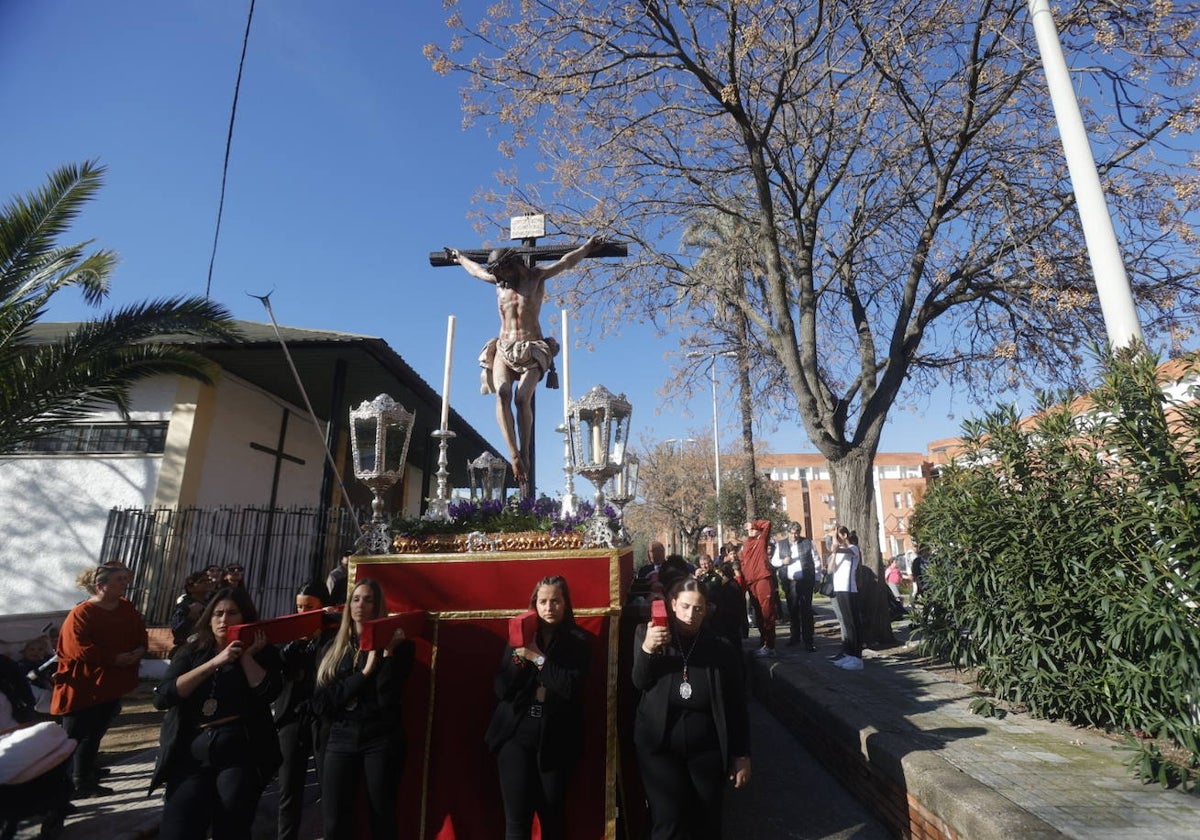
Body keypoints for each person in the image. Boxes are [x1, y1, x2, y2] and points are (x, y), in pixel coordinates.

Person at [446, 235, 602, 493]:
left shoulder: (536, 277)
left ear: (513, 263)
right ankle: (514, 454)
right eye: (496, 274)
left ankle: (525, 451)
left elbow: (566, 261)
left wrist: (587, 248)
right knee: (503, 394)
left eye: (502, 271)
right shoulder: (499, 282)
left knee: (521, 399)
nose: (499, 277)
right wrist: (460, 257)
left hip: (532, 350)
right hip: (505, 349)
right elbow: (476, 272)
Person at [150, 587, 283, 840]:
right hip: (192, 750)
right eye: (218, 614)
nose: (224, 620)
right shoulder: (193, 650)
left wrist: (245, 656)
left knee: (231, 825)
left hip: (239, 749)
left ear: (244, 617)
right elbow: (163, 696)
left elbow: (268, 693)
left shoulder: (261, 650)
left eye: (232, 613)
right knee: (177, 827)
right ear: (209, 618)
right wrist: (214, 663)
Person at [632, 578, 751, 840]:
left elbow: (736, 703)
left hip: (705, 746)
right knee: (668, 818)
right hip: (660, 745)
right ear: (673, 604)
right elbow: (639, 681)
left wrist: (741, 755)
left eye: (698, 608)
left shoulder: (720, 647)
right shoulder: (649, 633)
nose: (690, 615)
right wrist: (649, 649)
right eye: (685, 606)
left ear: (706, 609)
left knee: (706, 817)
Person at [485, 576, 592, 840]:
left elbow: (568, 686)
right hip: (516, 732)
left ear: (565, 604)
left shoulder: (579, 640)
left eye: (555, 601)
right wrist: (519, 660)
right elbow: (501, 689)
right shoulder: (520, 635)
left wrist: (537, 658)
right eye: (543, 601)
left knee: (553, 819)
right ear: (534, 604)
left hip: (556, 735)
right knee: (516, 821)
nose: (549, 607)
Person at [311, 579, 414, 840]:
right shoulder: (332, 648)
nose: (361, 605)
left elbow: (386, 699)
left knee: (381, 816)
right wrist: (364, 673)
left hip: (379, 738)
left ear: (378, 605)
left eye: (368, 600)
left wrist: (388, 656)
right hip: (339, 738)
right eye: (356, 599)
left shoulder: (398, 647)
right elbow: (322, 703)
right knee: (334, 820)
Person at [51, 564, 147, 797]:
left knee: (96, 732)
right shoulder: (82, 613)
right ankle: (74, 783)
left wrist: (139, 650)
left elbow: (139, 632)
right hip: (84, 684)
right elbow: (78, 648)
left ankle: (85, 773)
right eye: (119, 579)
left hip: (110, 682)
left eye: (126, 578)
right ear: (101, 585)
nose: (125, 583)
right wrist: (114, 658)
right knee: (76, 735)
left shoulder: (125, 607)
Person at [274, 581, 335, 840]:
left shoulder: (333, 636)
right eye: (299, 606)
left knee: (328, 786)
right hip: (291, 717)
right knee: (289, 788)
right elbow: (279, 668)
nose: (302, 612)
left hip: (322, 718)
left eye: (309, 607)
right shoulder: (290, 634)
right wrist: (295, 645)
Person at [776, 523, 819, 651]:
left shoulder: (807, 543)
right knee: (793, 610)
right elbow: (773, 561)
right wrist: (782, 562)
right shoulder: (781, 544)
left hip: (805, 580)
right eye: (792, 533)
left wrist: (817, 579)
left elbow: (816, 560)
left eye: (797, 533)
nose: (794, 536)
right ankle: (794, 637)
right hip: (790, 582)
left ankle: (808, 640)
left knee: (806, 610)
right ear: (788, 532)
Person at [828, 527, 864, 671]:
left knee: (853, 623)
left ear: (844, 535)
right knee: (847, 623)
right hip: (839, 589)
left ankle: (857, 657)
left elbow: (841, 549)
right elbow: (831, 569)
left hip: (849, 589)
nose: (834, 539)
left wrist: (836, 545)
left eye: (837, 536)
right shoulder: (838, 552)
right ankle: (849, 654)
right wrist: (834, 551)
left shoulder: (854, 549)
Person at [740, 519, 776, 657]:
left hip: (762, 579)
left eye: (753, 529)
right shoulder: (746, 545)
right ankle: (764, 642)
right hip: (751, 582)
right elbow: (743, 564)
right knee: (759, 614)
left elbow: (767, 523)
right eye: (749, 529)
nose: (751, 530)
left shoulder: (761, 541)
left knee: (767, 613)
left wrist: (753, 524)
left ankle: (770, 645)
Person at [170, 571, 216, 653]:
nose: (206, 583)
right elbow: (177, 631)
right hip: (189, 649)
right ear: (190, 588)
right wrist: (190, 617)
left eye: (207, 581)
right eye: (202, 581)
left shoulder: (210, 604)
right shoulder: (184, 606)